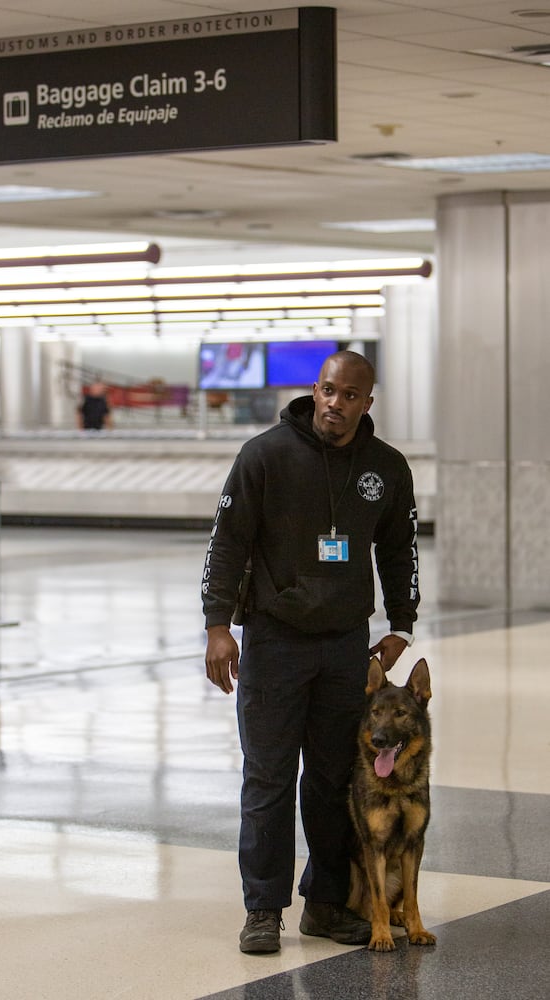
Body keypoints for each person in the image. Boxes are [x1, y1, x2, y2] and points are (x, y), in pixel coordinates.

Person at [201, 350, 419, 954]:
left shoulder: (385, 467)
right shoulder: (265, 455)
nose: (335, 403)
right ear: (314, 391)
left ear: (366, 403)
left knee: (331, 781)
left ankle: (325, 904)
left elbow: (400, 548)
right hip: (274, 641)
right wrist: (218, 625)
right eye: (328, 391)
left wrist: (402, 621)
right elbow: (228, 541)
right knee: (268, 776)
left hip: (347, 646)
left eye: (350, 395)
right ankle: (264, 908)